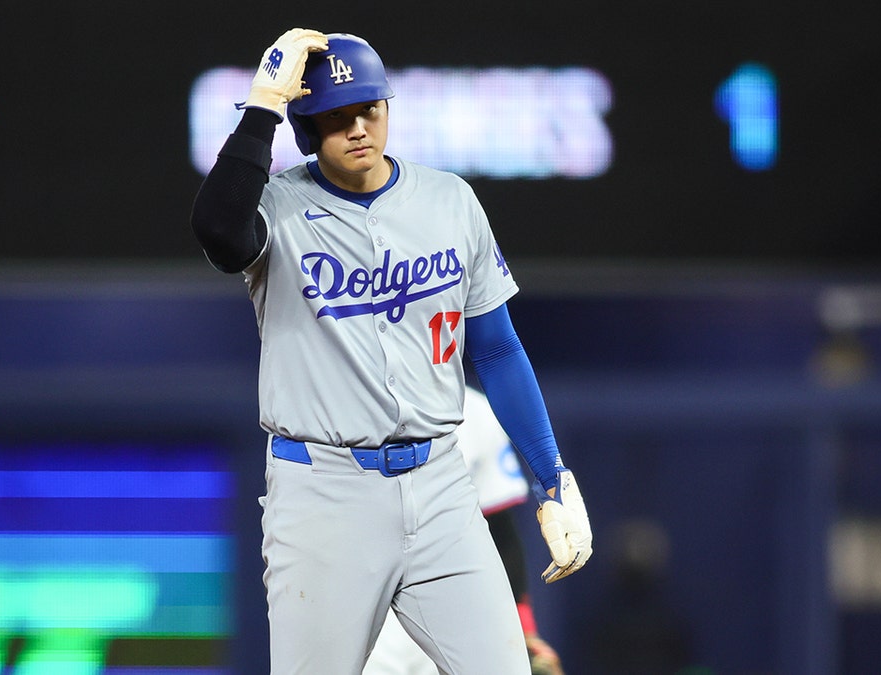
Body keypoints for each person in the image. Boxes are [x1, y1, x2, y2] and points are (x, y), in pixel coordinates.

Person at [190, 28, 592, 674]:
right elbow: (217, 229)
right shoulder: (277, 210)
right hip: (324, 492)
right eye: (336, 116)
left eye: (369, 109)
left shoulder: (449, 200)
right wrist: (264, 101)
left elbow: (495, 349)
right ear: (304, 129)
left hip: (439, 485)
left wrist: (553, 477)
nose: (357, 127)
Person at [363, 386, 565, 675]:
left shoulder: (474, 409)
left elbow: (498, 528)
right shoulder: (348, 393)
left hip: (445, 600)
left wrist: (525, 628)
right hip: (364, 594)